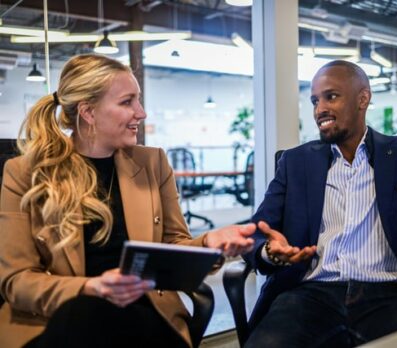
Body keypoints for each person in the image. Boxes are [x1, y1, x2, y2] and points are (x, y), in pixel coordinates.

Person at [0, 54, 256, 348]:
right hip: (61, 318)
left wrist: (209, 243)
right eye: (127, 102)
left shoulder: (152, 163)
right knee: (85, 312)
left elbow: (173, 247)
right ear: (89, 112)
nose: (142, 113)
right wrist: (90, 287)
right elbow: (16, 280)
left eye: (139, 100)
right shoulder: (25, 174)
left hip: (142, 314)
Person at [243, 60, 397, 347]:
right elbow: (256, 232)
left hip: (393, 292)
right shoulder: (295, 162)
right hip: (310, 295)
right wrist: (269, 252)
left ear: (363, 98)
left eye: (331, 96)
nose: (319, 109)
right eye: (314, 100)